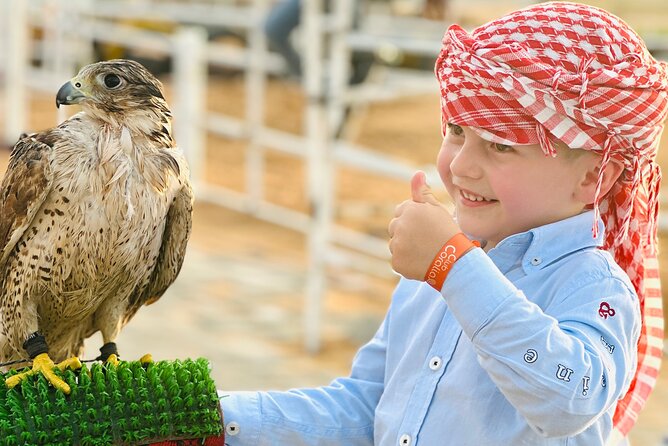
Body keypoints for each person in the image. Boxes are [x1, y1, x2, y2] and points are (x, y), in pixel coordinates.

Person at [219, 3, 667, 445]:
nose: (461, 166)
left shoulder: (593, 286)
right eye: (456, 131)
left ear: (593, 177)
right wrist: (224, 422)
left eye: (500, 145)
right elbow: (369, 408)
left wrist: (455, 268)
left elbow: (569, 400)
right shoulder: (436, 271)